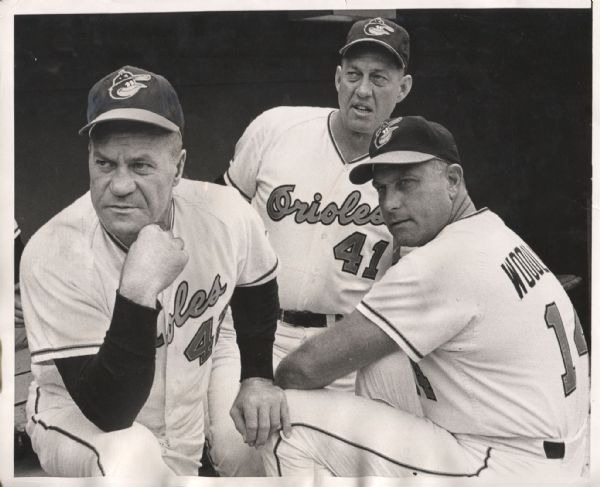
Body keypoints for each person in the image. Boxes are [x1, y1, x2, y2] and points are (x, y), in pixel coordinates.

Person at [262, 116, 590, 479]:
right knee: (380, 363)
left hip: (501, 465)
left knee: (285, 415)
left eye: (406, 183)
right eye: (382, 189)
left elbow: (302, 369)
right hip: (558, 453)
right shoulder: (491, 231)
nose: (390, 204)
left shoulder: (441, 261)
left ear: (452, 180)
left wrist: (261, 385)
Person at [20, 65, 290, 478]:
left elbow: (257, 282)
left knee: (254, 446)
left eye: (141, 166)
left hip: (179, 402)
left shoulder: (224, 214)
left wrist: (256, 376)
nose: (121, 184)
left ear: (178, 168)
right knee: (131, 455)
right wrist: (139, 287)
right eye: (105, 164)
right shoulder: (54, 250)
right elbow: (110, 411)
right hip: (76, 417)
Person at [208, 17, 421, 476]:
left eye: (379, 78)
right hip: (255, 334)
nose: (363, 90)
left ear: (402, 88)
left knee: (348, 467)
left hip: (347, 344)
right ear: (337, 77)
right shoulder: (276, 128)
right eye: (354, 74)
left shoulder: (411, 166)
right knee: (239, 455)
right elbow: (219, 222)